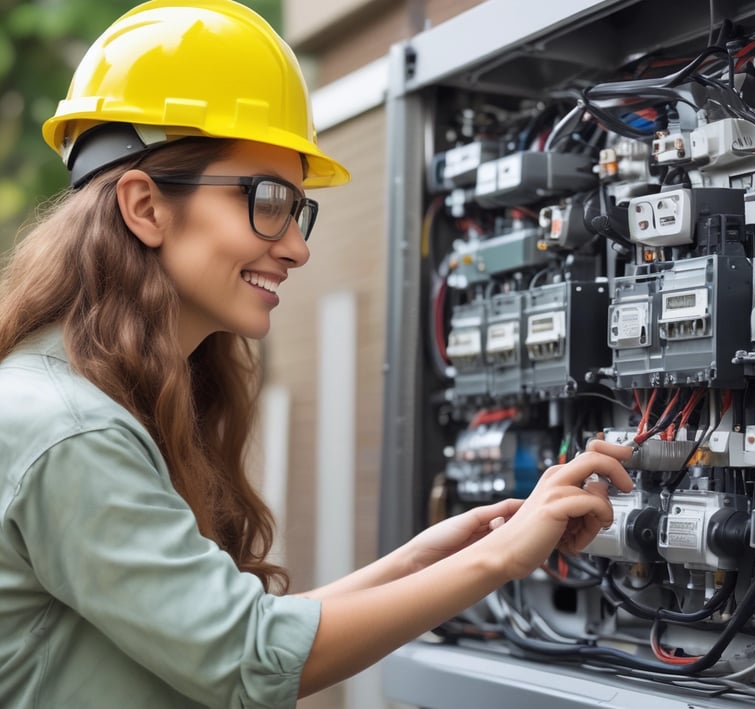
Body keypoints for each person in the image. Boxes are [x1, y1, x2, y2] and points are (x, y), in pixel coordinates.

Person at [0, 1, 634, 707]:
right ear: (145, 206)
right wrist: (499, 559)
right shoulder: (70, 431)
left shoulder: (77, 403)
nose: (298, 248)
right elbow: (248, 658)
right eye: (268, 201)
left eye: (298, 210)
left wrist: (431, 557)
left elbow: (237, 631)